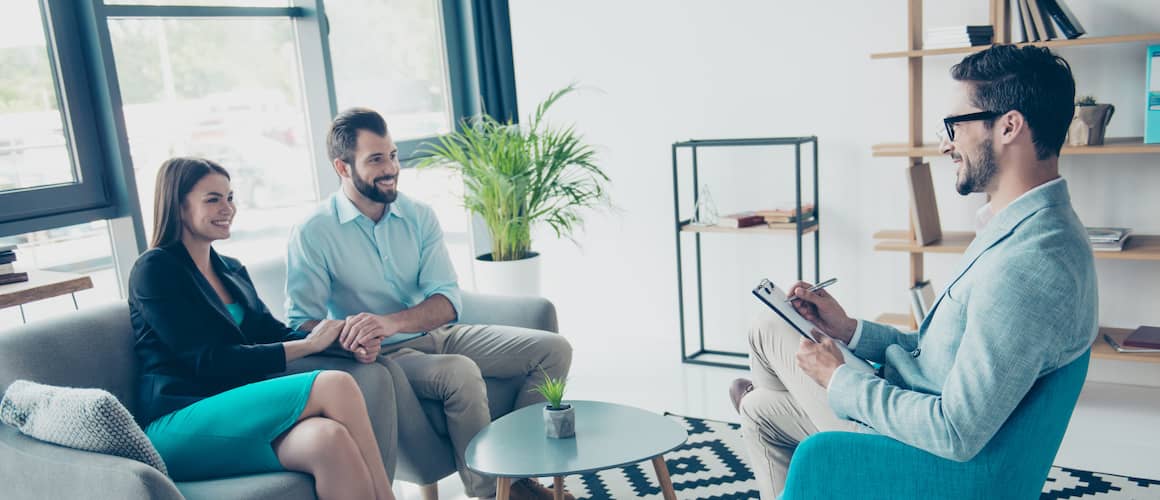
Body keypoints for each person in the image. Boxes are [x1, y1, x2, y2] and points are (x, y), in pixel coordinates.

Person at [730, 44, 1098, 498]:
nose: (946, 143)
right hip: (912, 408)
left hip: (920, 453)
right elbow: (938, 355)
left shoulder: (1030, 265)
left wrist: (838, 379)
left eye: (955, 126)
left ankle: (834, 469)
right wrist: (848, 331)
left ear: (1008, 126)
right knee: (761, 410)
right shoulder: (1025, 228)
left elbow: (955, 433)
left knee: (768, 325)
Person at [285, 108, 574, 500]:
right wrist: (352, 338)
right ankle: (490, 493)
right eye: (375, 159)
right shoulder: (314, 232)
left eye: (392, 155)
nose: (390, 168)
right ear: (342, 166)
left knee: (553, 349)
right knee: (459, 373)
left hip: (438, 333)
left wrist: (390, 321)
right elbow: (302, 322)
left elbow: (447, 300)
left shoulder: (418, 216)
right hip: (384, 358)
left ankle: (517, 478)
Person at [129, 157, 396, 500]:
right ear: (178, 206)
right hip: (178, 421)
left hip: (237, 414)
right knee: (335, 384)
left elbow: (273, 333)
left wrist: (339, 341)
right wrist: (309, 347)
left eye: (230, 197)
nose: (228, 208)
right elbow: (206, 361)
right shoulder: (155, 268)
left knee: (328, 440)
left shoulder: (230, 269)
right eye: (213, 199)